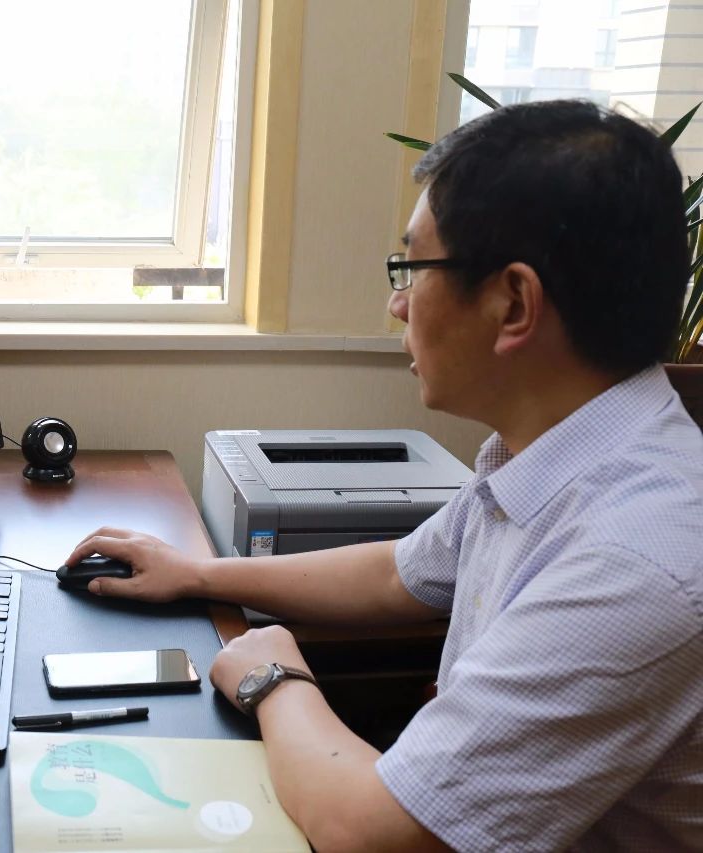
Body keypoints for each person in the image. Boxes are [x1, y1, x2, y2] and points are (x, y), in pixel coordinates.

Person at [63, 100, 703, 852]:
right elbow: (399, 574)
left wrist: (275, 677)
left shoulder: (636, 560)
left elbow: (368, 833)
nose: (396, 303)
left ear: (513, 303)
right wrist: (198, 572)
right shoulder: (557, 450)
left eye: (412, 267)